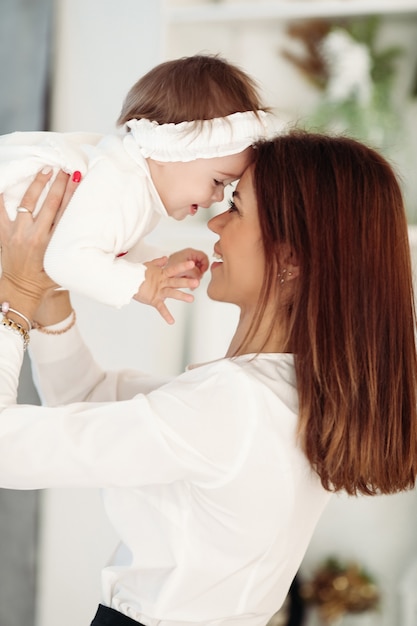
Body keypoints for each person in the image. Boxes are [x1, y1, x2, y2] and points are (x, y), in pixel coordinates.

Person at [0, 130, 416, 626]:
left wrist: (17, 296)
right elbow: (90, 398)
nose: (215, 221)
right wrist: (49, 289)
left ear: (292, 257)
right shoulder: (282, 396)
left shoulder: (236, 406)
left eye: (237, 207)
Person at [0, 54, 275, 321]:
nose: (217, 198)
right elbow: (65, 260)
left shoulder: (133, 186)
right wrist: (139, 283)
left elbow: (105, 244)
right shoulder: (122, 183)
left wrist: (163, 265)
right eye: (218, 181)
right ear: (173, 150)